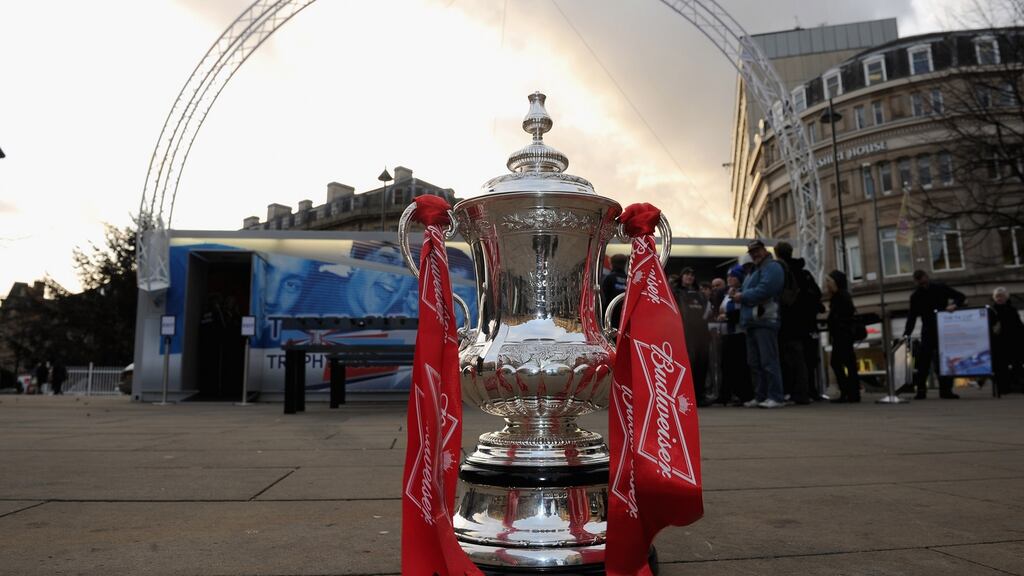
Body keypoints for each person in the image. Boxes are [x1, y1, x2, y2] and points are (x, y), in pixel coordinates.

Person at [733, 240, 786, 408]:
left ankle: (775, 396)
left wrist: (743, 296)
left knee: (768, 361)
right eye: (752, 252)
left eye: (757, 250)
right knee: (756, 363)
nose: (754, 254)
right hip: (753, 322)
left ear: (764, 250)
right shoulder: (757, 270)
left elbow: (767, 289)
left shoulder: (772, 267)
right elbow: (758, 290)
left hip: (765, 320)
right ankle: (762, 395)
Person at [900, 270, 966, 399]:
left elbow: (960, 297)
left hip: (940, 327)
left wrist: (954, 305)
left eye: (921, 279)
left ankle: (937, 390)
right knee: (926, 361)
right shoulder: (918, 295)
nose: (920, 282)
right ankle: (928, 390)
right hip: (932, 329)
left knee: (935, 361)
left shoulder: (936, 289)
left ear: (925, 277)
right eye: (918, 280)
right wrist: (906, 334)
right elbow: (912, 317)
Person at [774, 241, 811, 404]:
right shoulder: (803, 272)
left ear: (776, 253)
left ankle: (793, 392)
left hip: (786, 319)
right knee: (800, 358)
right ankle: (804, 392)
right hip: (801, 320)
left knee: (788, 358)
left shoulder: (780, 269)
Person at [715, 264, 754, 405]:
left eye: (733, 276)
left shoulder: (743, 292)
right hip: (727, 333)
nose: (730, 279)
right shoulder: (727, 292)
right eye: (729, 276)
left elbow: (742, 312)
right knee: (726, 365)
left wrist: (727, 316)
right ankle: (725, 394)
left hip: (739, 332)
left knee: (740, 366)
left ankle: (743, 394)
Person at [674, 267, 711, 407]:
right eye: (687, 274)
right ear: (681, 276)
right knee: (689, 365)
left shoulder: (700, 295)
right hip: (685, 333)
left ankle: (699, 395)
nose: (690, 277)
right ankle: (686, 395)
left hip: (701, 333)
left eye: (692, 275)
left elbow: (708, 312)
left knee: (702, 364)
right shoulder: (676, 293)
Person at [824, 270, 860, 403]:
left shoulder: (840, 297)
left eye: (828, 282)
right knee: (847, 363)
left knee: (837, 362)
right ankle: (851, 392)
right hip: (843, 335)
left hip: (842, 335)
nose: (826, 285)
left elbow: (841, 317)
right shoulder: (842, 296)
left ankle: (847, 392)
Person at [990, 287, 1024, 395]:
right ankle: (1004, 387)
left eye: (1002, 296)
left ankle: (1017, 385)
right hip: (999, 343)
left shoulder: (1012, 309)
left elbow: (1019, 326)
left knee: (1017, 364)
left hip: (1014, 342)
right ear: (994, 298)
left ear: (1006, 297)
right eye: (997, 296)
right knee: (1001, 366)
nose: (999, 298)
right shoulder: (991, 311)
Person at [602, 253, 629, 329]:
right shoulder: (629, 280)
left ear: (612, 264)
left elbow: (603, 297)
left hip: (610, 315)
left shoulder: (609, 278)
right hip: (624, 315)